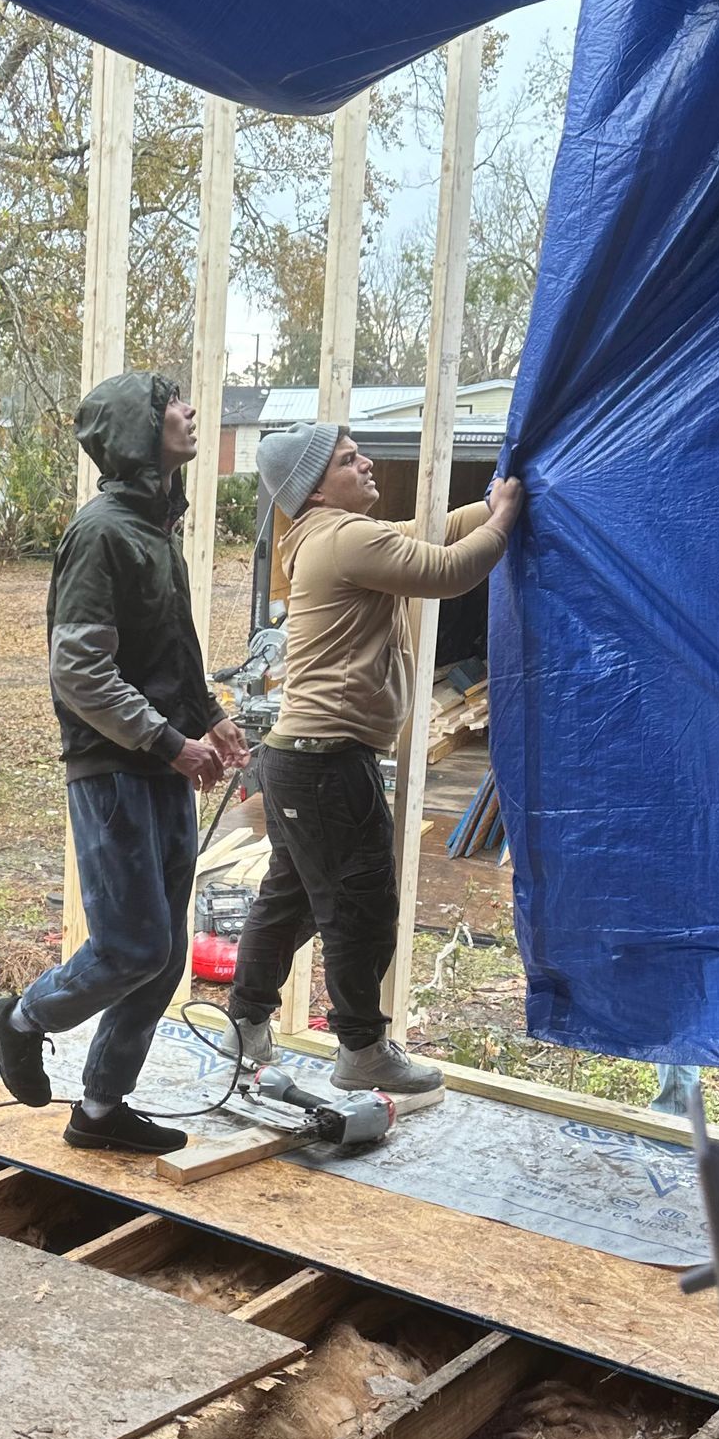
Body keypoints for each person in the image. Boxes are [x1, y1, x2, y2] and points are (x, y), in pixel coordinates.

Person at [0, 373, 250, 1154]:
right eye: (174, 401)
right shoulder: (101, 533)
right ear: (139, 428)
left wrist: (211, 721)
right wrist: (171, 741)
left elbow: (171, 653)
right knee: (132, 945)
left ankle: (99, 1112)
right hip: (113, 770)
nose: (191, 411)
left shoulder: (155, 527)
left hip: (163, 765)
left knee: (161, 957)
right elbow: (81, 674)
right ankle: (22, 1018)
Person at [216, 424, 522, 1095]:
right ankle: (361, 1048)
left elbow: (430, 529)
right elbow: (448, 570)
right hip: (327, 761)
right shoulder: (347, 538)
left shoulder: (328, 536)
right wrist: (504, 521)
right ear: (317, 487)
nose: (368, 463)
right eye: (350, 460)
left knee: (291, 896)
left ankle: (245, 1020)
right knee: (361, 905)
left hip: (303, 758)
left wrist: (493, 502)